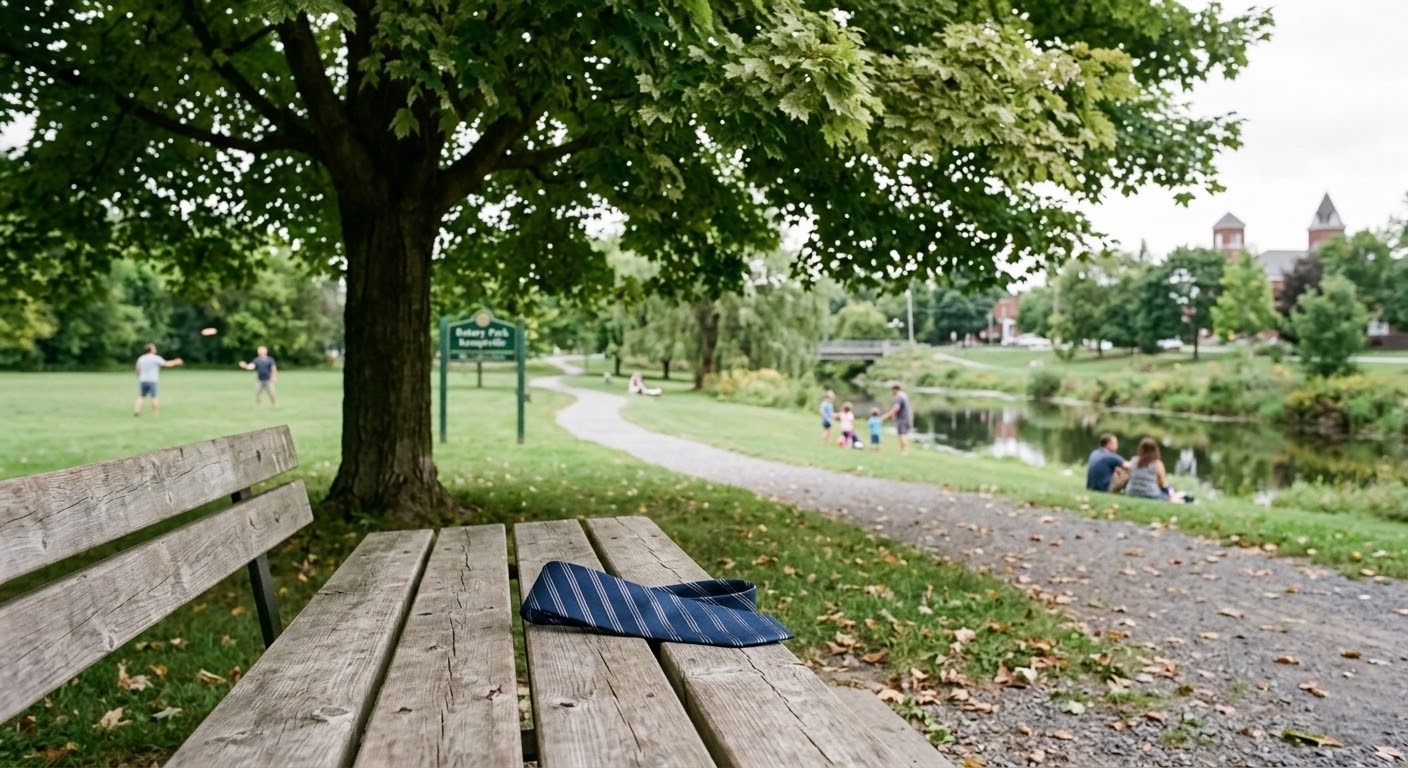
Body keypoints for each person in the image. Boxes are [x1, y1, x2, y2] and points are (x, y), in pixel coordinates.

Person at [1124, 437, 1191, 503]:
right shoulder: (1157, 463)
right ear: (1155, 450)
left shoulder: (1134, 460)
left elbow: (1129, 476)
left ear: (1141, 449)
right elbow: (1163, 484)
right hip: (1151, 494)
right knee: (1169, 493)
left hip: (1131, 492)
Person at [133, 343, 183, 416]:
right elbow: (166, 364)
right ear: (151, 350)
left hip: (143, 380)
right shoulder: (155, 358)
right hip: (152, 380)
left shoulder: (141, 358)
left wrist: (139, 377)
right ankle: (155, 413)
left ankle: (136, 411)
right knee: (154, 397)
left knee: (141, 396)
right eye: (154, 348)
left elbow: (137, 369)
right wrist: (176, 362)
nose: (155, 349)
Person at [880, 382, 911, 453]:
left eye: (891, 390)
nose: (891, 392)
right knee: (903, 434)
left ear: (895, 389)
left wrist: (886, 416)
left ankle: (904, 451)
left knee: (902, 434)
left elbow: (896, 408)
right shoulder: (904, 395)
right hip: (905, 418)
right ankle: (903, 450)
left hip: (902, 418)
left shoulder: (899, 396)